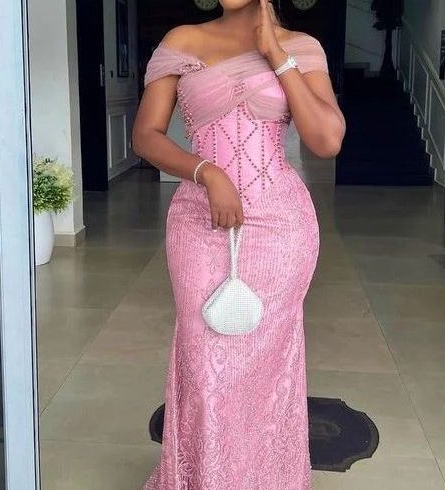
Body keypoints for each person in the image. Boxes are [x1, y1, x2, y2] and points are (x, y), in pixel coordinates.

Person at [132, 0, 345, 488]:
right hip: (199, 223)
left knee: (267, 364)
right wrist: (206, 173)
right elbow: (145, 135)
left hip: (279, 228)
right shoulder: (182, 40)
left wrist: (276, 55)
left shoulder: (300, 47)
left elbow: (327, 140)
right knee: (203, 360)